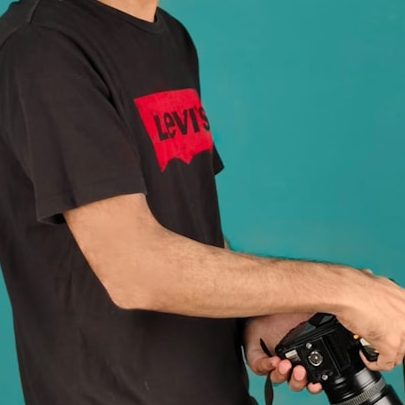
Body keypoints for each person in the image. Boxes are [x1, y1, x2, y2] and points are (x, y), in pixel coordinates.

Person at [0, 0, 404, 404]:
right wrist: (346, 289)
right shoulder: (44, 46)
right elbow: (135, 267)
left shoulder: (170, 37)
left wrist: (256, 314)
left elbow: (190, 230)